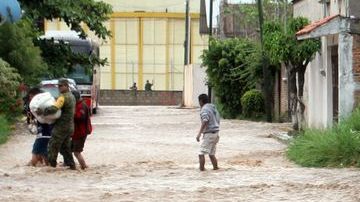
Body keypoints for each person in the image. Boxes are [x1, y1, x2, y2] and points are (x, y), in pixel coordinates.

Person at [39, 79, 76, 170]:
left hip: (61, 126)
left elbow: (54, 108)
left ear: (66, 86)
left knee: (52, 146)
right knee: (65, 147)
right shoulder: (72, 96)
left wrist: (43, 112)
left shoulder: (62, 97)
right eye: (58, 86)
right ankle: (71, 165)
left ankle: (52, 166)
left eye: (61, 86)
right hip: (70, 126)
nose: (59, 88)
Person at [26, 87, 53, 166]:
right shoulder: (43, 106)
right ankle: (49, 167)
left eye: (31, 96)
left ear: (36, 96)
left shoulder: (39, 106)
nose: (30, 98)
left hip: (43, 134)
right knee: (45, 154)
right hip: (48, 134)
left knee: (35, 154)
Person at [196, 94, 220, 171]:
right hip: (216, 133)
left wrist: (199, 133)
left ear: (201, 101)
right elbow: (218, 119)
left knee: (201, 153)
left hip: (209, 134)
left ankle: (202, 171)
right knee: (211, 154)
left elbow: (205, 120)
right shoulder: (213, 107)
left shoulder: (204, 109)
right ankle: (216, 169)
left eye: (199, 101)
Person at [71, 91, 91, 170]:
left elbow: (80, 118)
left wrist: (72, 114)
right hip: (76, 132)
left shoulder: (81, 106)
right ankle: (72, 165)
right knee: (69, 149)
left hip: (81, 132)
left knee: (76, 152)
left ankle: (84, 167)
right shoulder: (78, 105)